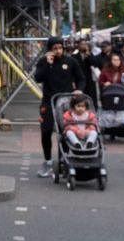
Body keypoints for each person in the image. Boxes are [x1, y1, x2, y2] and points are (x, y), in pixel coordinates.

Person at [33, 37, 86, 177]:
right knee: (46, 131)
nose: (58, 51)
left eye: (60, 48)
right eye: (55, 48)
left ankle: (64, 161)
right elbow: (38, 78)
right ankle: (48, 162)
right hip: (48, 101)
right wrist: (47, 64)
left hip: (66, 102)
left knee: (66, 131)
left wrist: (79, 89)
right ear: (49, 49)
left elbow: (81, 78)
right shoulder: (43, 62)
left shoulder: (70, 61)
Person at [73, 39, 99, 106]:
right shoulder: (74, 55)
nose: (84, 46)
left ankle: (93, 109)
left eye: (85, 44)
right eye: (82, 44)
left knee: (91, 96)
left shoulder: (90, 54)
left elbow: (95, 63)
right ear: (78, 45)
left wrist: (88, 55)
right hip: (78, 79)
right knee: (80, 96)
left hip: (89, 79)